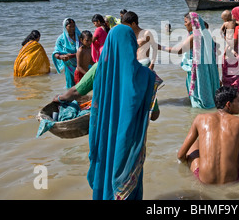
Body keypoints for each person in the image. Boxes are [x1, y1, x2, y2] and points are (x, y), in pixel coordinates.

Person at [87, 24, 161, 200]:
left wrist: (60, 99)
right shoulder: (146, 76)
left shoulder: (99, 71)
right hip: (130, 142)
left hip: (105, 136)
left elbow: (77, 90)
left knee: (106, 166)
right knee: (128, 180)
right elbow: (155, 114)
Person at [177, 86, 239, 184]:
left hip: (204, 180)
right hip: (233, 179)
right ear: (228, 104)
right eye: (238, 100)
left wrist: (189, 163)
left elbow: (180, 155)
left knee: (195, 144)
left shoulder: (200, 119)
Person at [157, 12, 220, 109]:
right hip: (208, 70)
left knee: (198, 96)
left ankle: (198, 112)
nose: (184, 24)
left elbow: (178, 50)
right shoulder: (207, 35)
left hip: (197, 71)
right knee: (208, 92)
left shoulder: (193, 37)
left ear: (192, 22)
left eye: (186, 22)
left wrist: (160, 47)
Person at [52, 18, 81, 89]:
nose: (72, 28)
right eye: (69, 27)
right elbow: (56, 52)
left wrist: (72, 55)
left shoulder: (80, 36)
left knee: (82, 83)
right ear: (65, 27)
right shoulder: (61, 39)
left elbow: (87, 48)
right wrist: (60, 57)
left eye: (73, 26)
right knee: (71, 84)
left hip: (81, 63)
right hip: (69, 65)